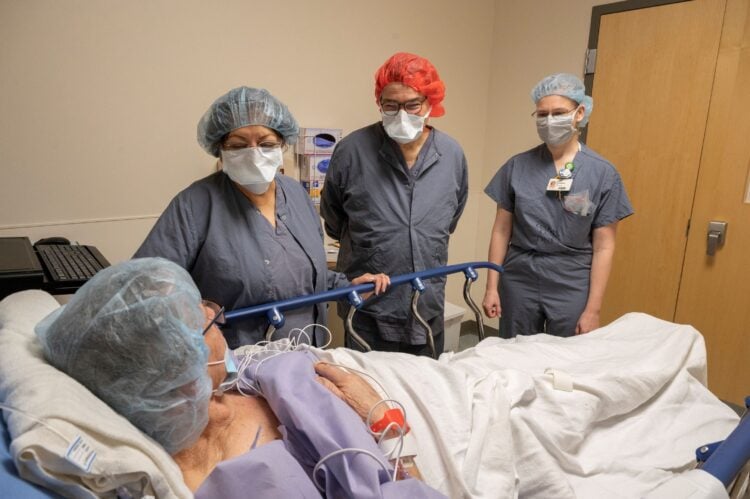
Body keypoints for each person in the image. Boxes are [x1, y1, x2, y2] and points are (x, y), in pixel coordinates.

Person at [35, 258, 442, 498]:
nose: (219, 321)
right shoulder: (240, 479)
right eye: (208, 321)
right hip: (407, 423)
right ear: (178, 372)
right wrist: (386, 424)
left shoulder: (225, 382)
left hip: (379, 374)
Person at [134, 87, 388, 348]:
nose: (254, 153)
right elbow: (147, 286)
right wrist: (192, 311)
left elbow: (301, 274)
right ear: (219, 148)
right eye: (238, 145)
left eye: (266, 144)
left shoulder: (296, 195)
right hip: (237, 366)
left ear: (282, 145)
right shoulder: (195, 205)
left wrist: (346, 286)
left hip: (307, 354)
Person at [321, 53, 468, 357]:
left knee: (423, 391)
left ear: (430, 102)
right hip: (369, 305)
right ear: (380, 102)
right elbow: (333, 218)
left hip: (425, 302)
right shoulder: (352, 151)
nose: (401, 113)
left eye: (412, 104)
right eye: (391, 105)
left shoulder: (451, 154)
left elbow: (449, 217)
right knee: (368, 395)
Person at [482, 73, 633, 338]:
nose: (549, 121)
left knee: (565, 359)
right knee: (514, 352)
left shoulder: (602, 174)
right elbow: (501, 231)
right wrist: (491, 286)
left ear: (579, 113)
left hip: (571, 278)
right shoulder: (516, 167)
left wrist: (593, 310)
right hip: (519, 276)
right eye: (542, 114)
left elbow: (604, 245)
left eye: (559, 112)